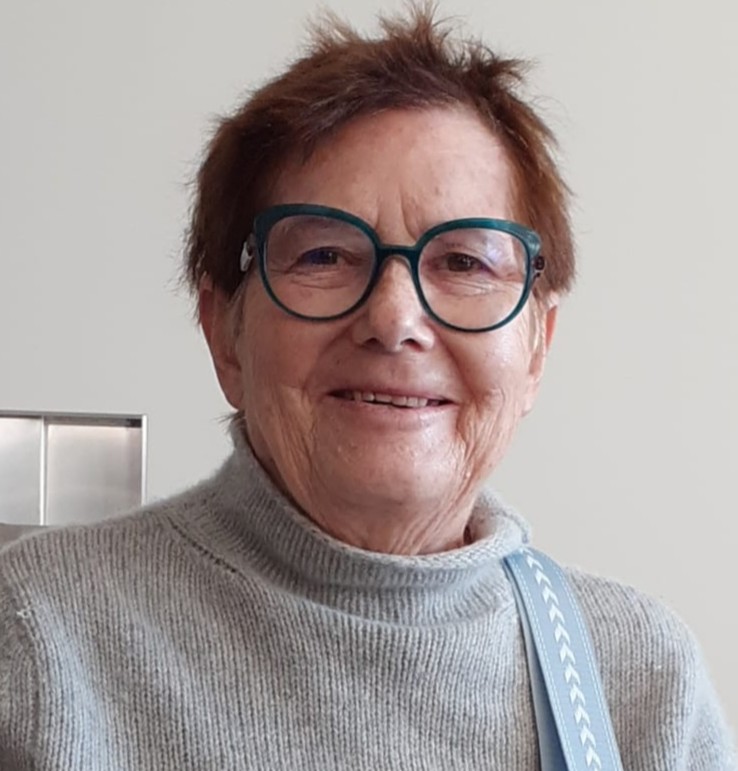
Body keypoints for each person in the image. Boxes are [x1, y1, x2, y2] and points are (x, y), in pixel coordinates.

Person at [0, 7, 735, 770]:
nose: (393, 319)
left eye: (464, 262)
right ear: (224, 333)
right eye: (324, 254)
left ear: (537, 349)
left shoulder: (642, 686)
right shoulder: (35, 644)